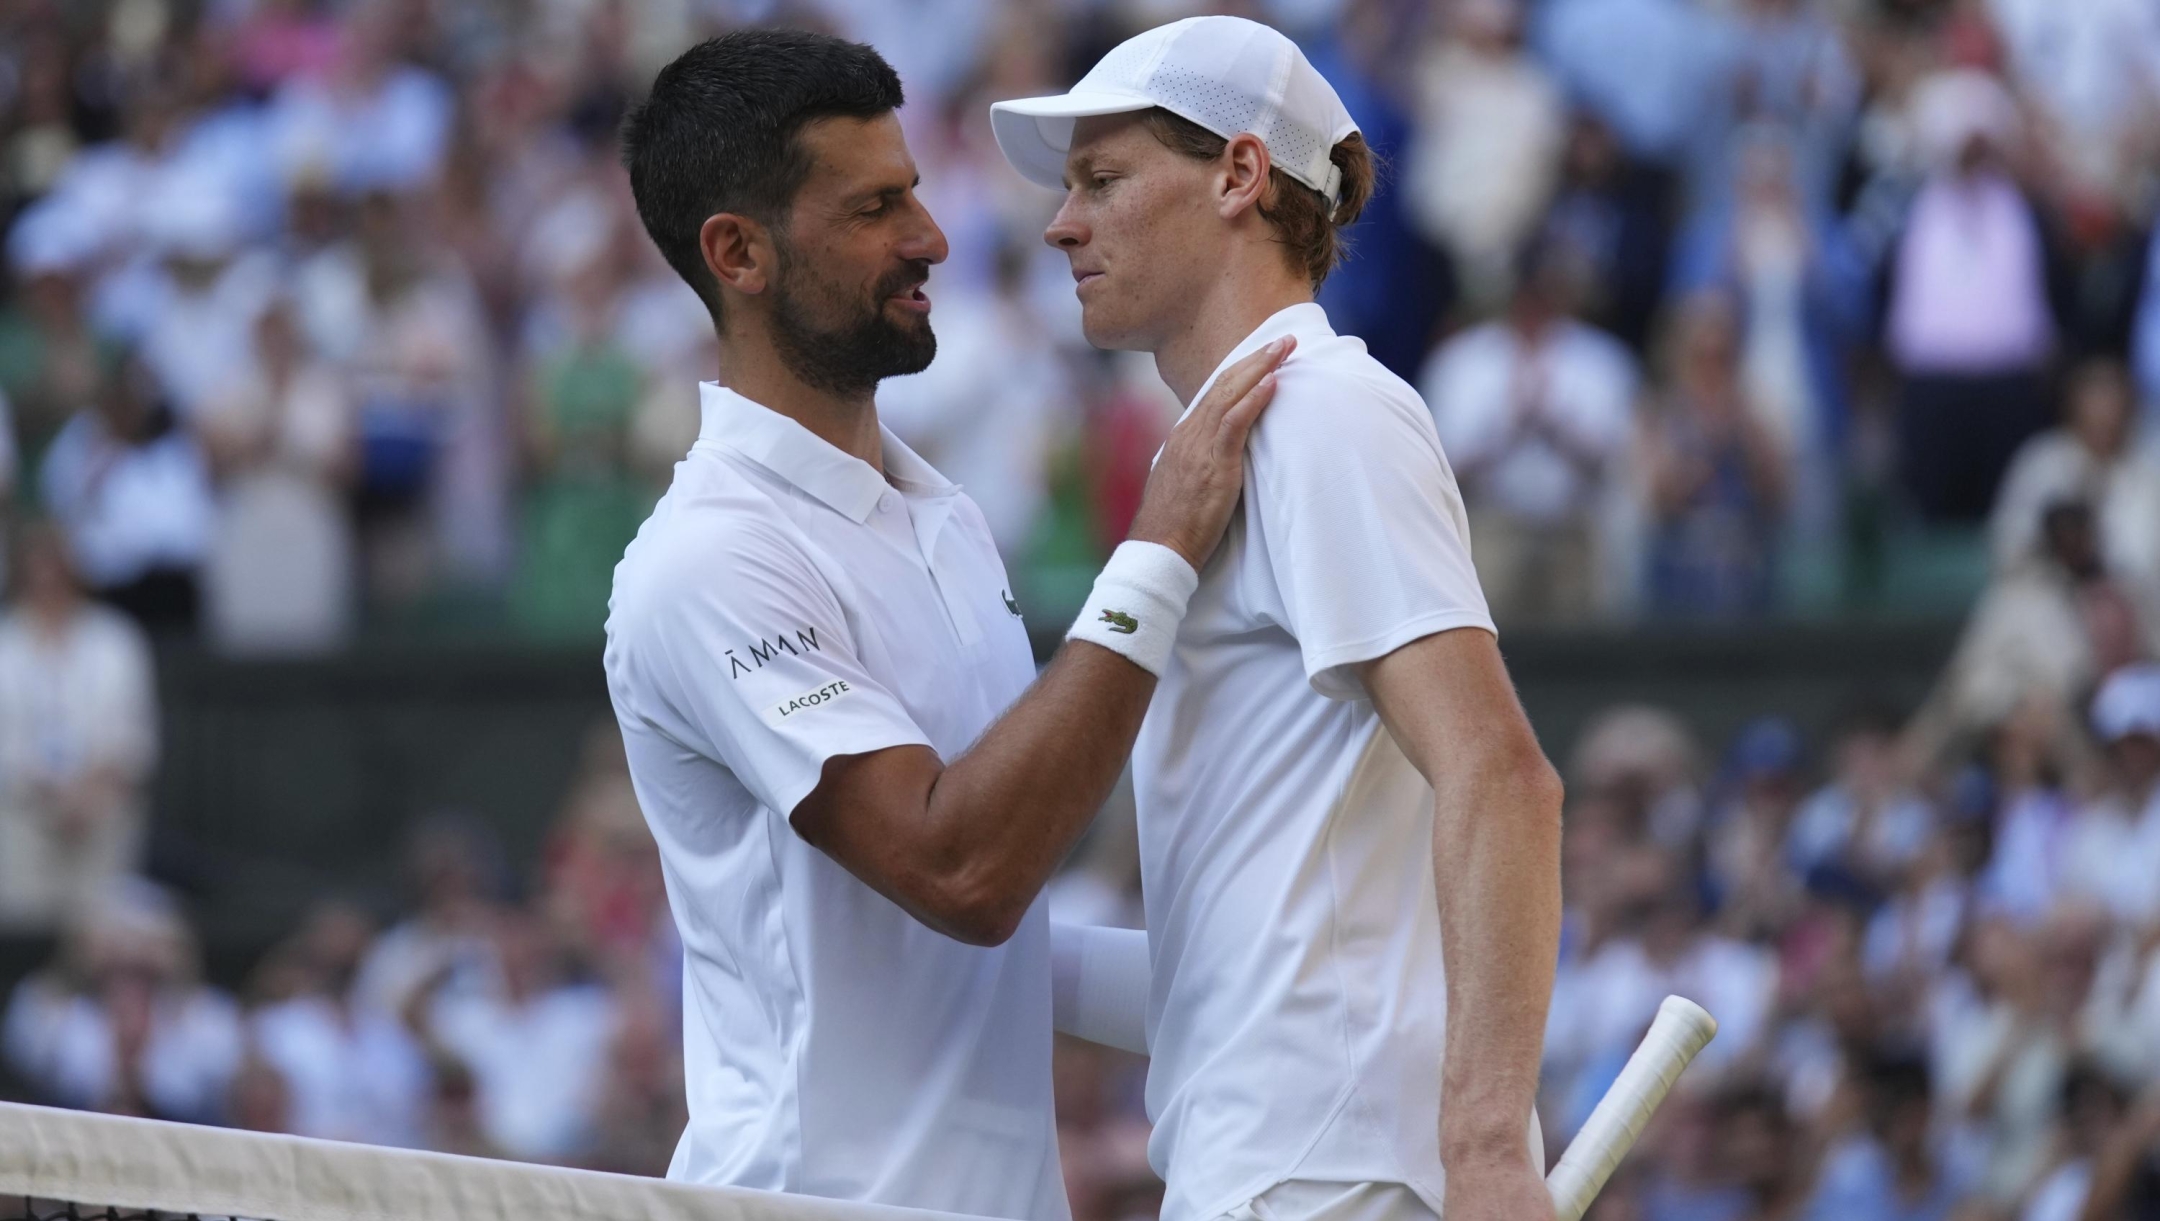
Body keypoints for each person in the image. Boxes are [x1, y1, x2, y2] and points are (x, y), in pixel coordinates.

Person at [606, 29, 1286, 1219]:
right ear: (738, 254)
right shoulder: (708, 559)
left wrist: (1316, 992)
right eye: (875, 207)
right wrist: (1158, 550)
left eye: (915, 190)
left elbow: (981, 958)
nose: (930, 236)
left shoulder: (947, 517)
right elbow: (962, 871)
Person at [991, 16, 1564, 1221]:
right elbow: (1240, 975)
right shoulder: (1263, 431)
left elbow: (1501, 774)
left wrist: (1488, 1152)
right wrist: (953, 951)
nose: (1061, 222)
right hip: (1283, 1171)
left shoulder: (1324, 413)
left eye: (1102, 180)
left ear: (1240, 176)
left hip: (1326, 1182)